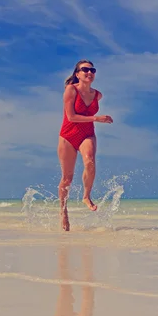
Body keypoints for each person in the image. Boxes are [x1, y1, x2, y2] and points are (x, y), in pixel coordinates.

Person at [58, 60, 113, 231]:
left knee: (89, 161)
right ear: (77, 74)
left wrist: (96, 121)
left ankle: (86, 196)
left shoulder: (98, 95)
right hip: (68, 135)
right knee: (67, 178)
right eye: (85, 70)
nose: (89, 72)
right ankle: (63, 212)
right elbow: (72, 116)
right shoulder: (70, 90)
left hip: (87, 134)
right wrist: (97, 118)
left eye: (92, 70)